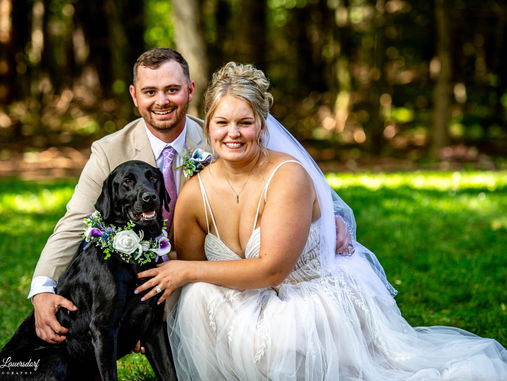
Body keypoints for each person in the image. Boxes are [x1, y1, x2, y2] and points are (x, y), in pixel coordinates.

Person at [135, 62, 507, 380]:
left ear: (262, 125)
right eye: (222, 122)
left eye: (244, 122)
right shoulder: (195, 192)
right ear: (208, 125)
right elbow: (188, 273)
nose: (232, 133)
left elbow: (271, 271)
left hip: (309, 302)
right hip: (243, 306)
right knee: (197, 292)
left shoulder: (287, 176)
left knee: (212, 290)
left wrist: (184, 272)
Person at [28, 48, 352, 345]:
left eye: (172, 89)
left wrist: (327, 215)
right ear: (134, 96)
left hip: (205, 268)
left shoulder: (221, 134)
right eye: (150, 92)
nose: (162, 101)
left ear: (190, 90)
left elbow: (284, 172)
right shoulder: (109, 151)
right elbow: (74, 224)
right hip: (135, 270)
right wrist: (43, 288)